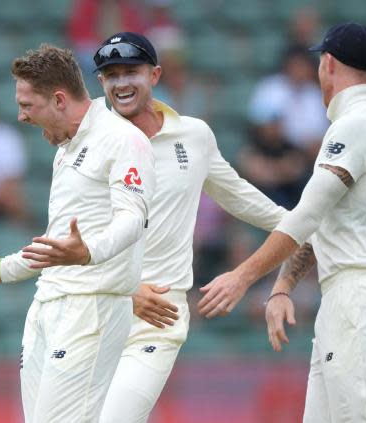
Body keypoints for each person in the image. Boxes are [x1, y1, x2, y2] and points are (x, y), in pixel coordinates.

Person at [19, 32, 287, 423]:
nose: (122, 83)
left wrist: (286, 234)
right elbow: (70, 242)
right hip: (93, 310)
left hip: (156, 318)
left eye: (132, 72)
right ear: (100, 83)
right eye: (111, 75)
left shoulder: (193, 137)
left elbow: (249, 203)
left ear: (155, 74)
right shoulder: (82, 139)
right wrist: (126, 289)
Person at [198, 23, 366, 422]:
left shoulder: (356, 124)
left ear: (327, 64)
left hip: (357, 299)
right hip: (349, 298)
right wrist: (282, 287)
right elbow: (322, 223)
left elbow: (307, 214)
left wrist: (242, 276)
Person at [0, 44, 155, 423]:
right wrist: (3, 269)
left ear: (58, 99)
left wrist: (88, 251)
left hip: (92, 308)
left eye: (27, 106)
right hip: (46, 306)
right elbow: (58, 242)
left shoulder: (123, 140)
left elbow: (132, 218)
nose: (21, 117)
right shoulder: (65, 149)